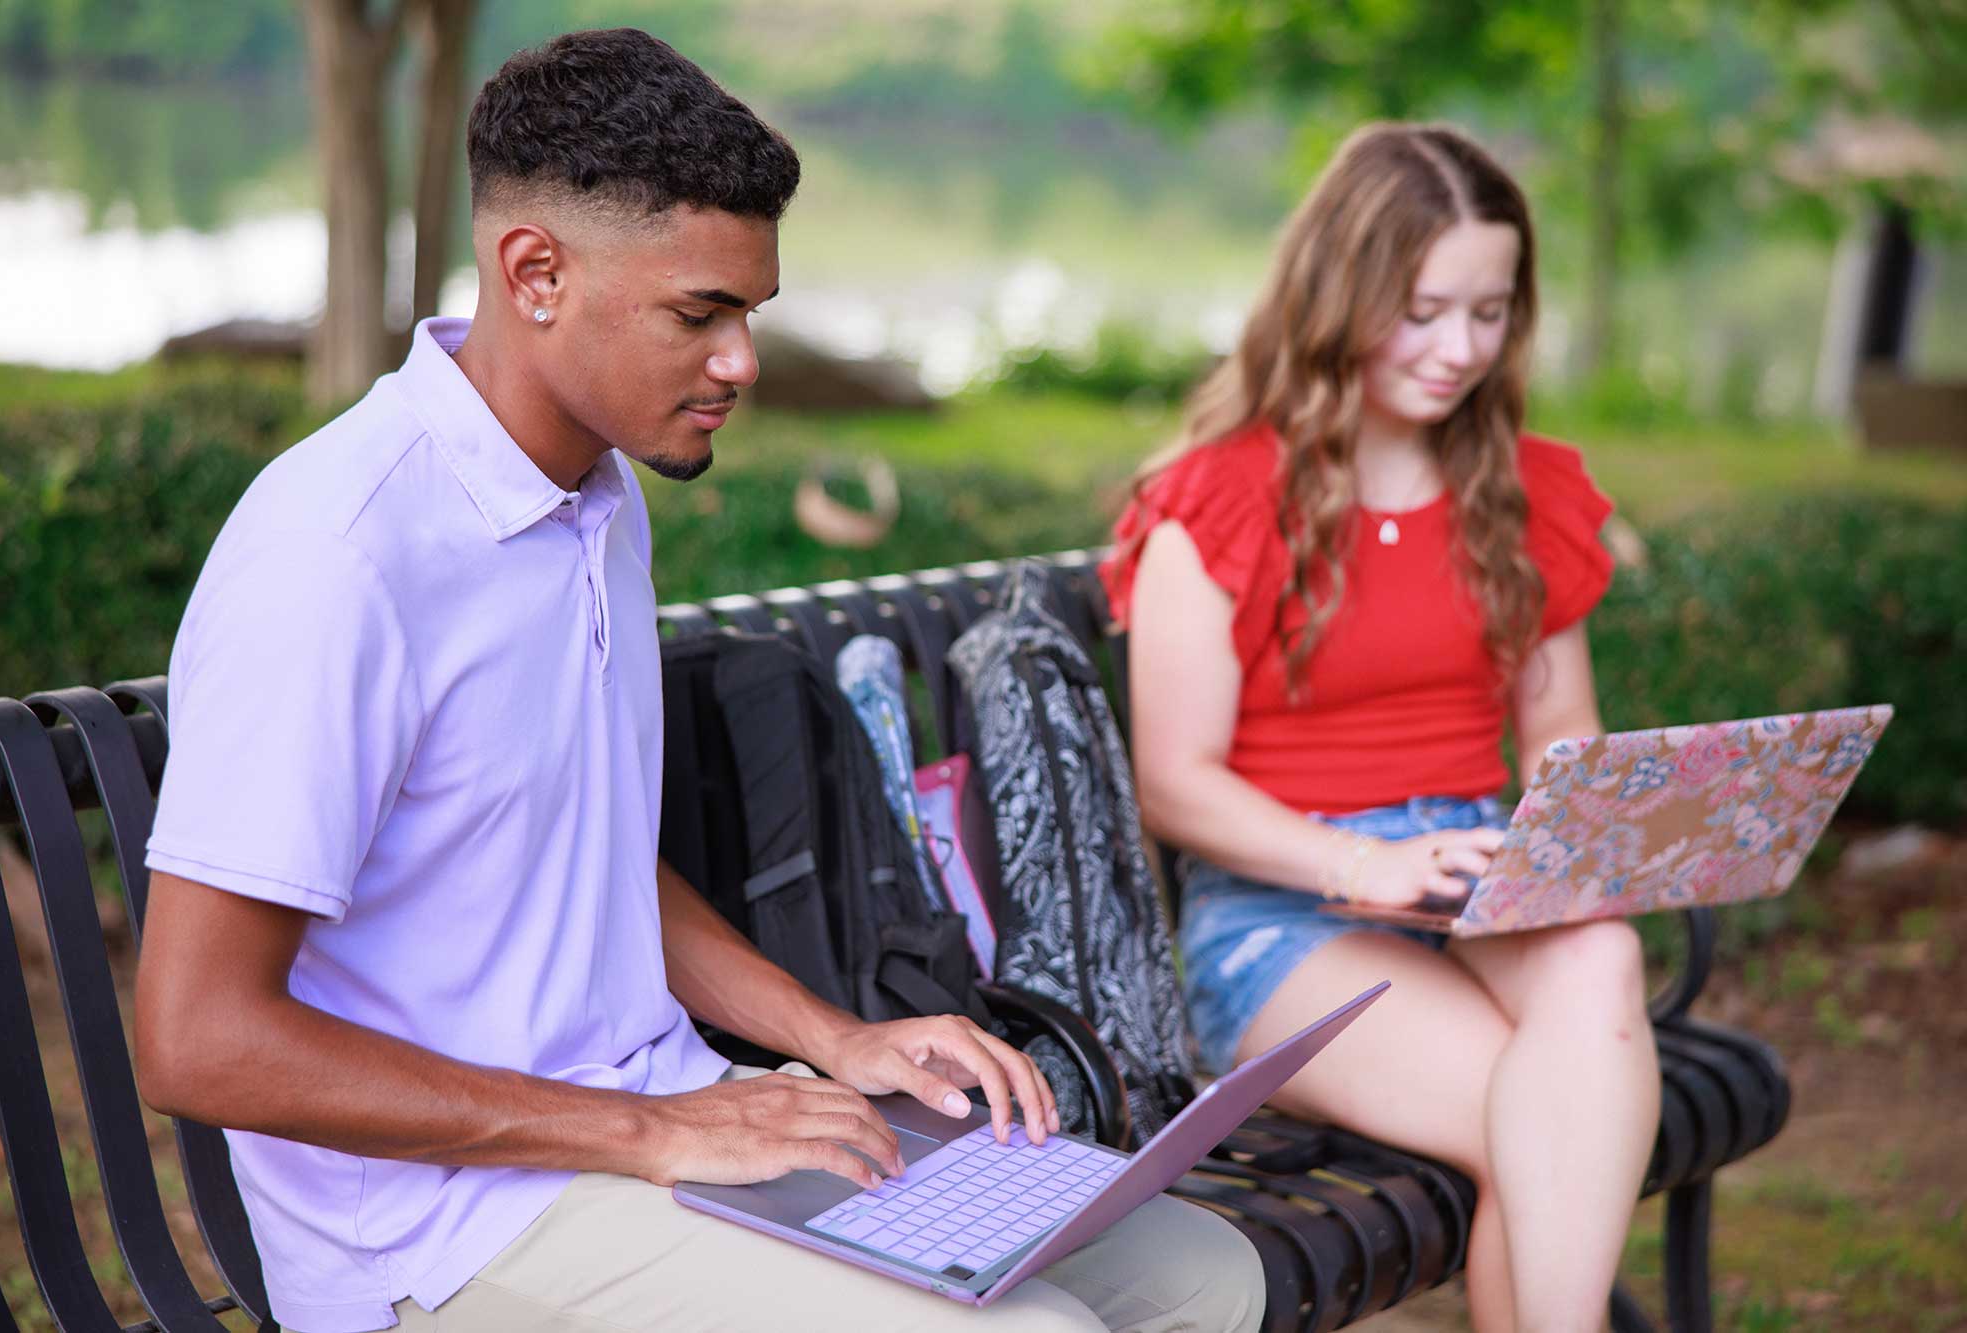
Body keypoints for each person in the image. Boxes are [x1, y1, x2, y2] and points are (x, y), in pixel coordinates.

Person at [133, 29, 1260, 1333]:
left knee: (1202, 1281)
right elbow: (198, 1036)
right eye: (699, 313)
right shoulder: (340, 556)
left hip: (665, 1126)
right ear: (535, 271)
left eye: (749, 314)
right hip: (443, 1236)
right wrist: (648, 1130)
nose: (742, 363)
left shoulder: (599, 499)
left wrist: (839, 1041)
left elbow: (586, 851)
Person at [1103, 123, 1662, 1333]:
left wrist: (1612, 836)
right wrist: (1364, 863)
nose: (1459, 348)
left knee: (1601, 958)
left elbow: (1561, 736)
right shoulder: (1216, 498)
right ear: (1337, 294)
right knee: (1553, 1118)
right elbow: (1174, 782)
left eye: (1489, 311)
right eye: (1422, 309)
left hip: (1476, 877)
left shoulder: (1525, 490)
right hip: (1280, 912)